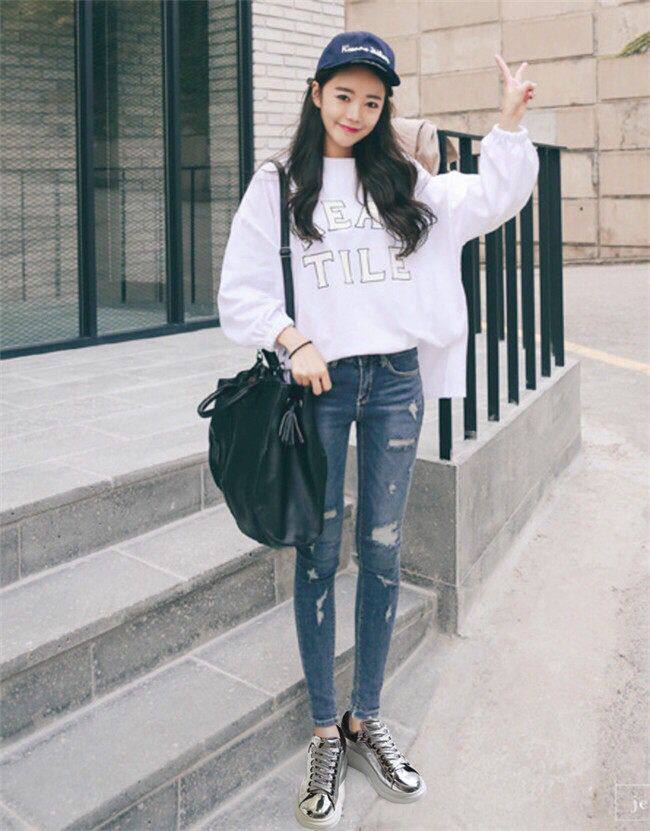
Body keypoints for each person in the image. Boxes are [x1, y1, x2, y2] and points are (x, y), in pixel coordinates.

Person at [217, 30, 538, 830]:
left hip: (396, 382)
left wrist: (507, 123)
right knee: (320, 552)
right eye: (343, 96)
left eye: (371, 100)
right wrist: (293, 339)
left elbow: (489, 199)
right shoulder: (280, 183)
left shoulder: (405, 182)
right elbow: (241, 289)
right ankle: (325, 731)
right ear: (316, 94)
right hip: (320, 388)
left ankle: (365, 717)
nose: (355, 112)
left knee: (384, 549)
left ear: (384, 106)